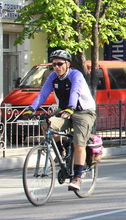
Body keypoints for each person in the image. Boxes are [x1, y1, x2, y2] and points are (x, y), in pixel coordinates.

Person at [19, 50, 97, 191]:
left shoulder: (75, 75)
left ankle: (77, 177)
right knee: (46, 124)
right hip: (64, 111)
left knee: (78, 143)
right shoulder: (52, 77)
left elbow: (75, 92)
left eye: (60, 64)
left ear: (68, 64)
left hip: (83, 111)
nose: (56, 67)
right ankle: (61, 151)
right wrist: (31, 108)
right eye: (53, 65)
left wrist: (71, 107)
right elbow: (43, 94)